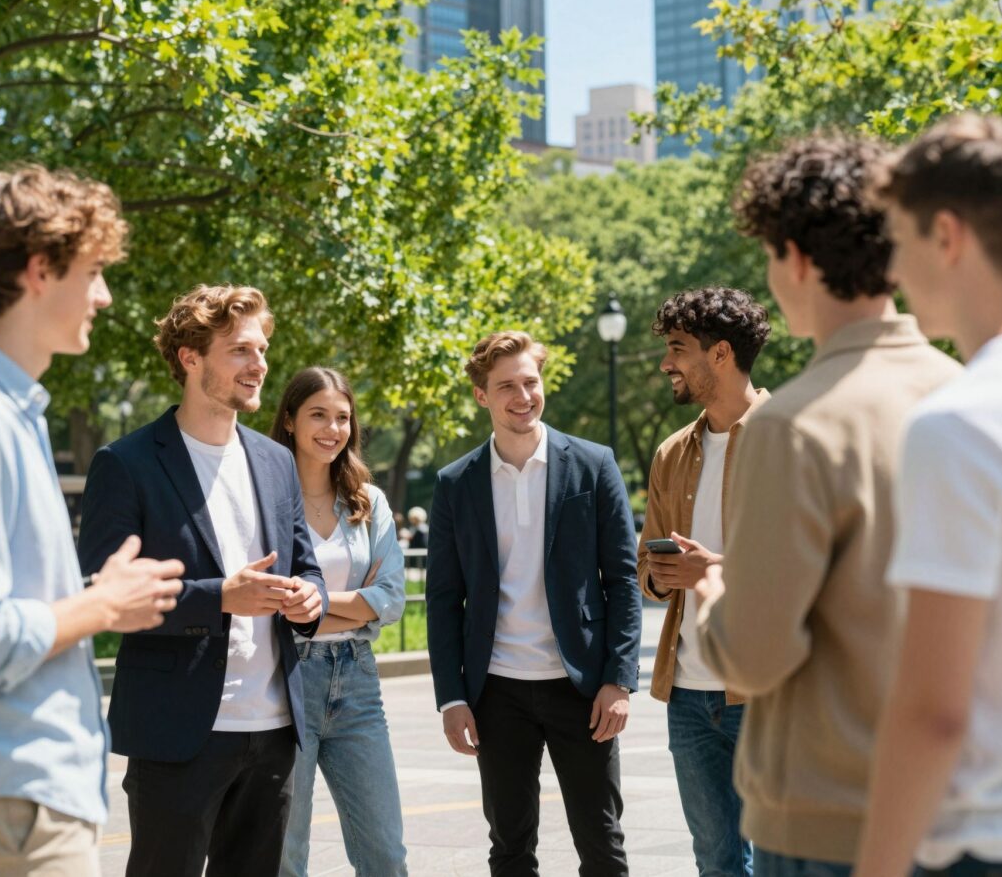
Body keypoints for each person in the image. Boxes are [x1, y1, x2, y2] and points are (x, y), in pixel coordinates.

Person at [0, 165, 185, 876]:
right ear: (40, 270)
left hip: (13, 801)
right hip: (9, 805)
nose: (105, 296)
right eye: (93, 272)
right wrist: (102, 604)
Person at [692, 135, 962, 876]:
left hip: (827, 819)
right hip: (954, 804)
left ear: (799, 259)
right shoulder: (965, 395)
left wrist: (716, 594)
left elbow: (754, 650)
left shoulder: (795, 423)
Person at [854, 115, 1002, 876]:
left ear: (947, 236)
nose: (893, 271)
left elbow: (933, 711)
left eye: (899, 241)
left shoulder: (962, 423)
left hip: (999, 846)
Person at [77, 284, 327, 877]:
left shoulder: (275, 460)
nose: (260, 363)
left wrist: (308, 597)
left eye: (262, 349)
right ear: (191, 358)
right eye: (240, 349)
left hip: (273, 731)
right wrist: (220, 598)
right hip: (177, 732)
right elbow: (102, 597)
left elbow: (303, 561)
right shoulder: (127, 464)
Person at [426, 330, 643, 877]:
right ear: (482, 396)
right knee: (510, 847)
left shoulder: (593, 465)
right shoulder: (456, 483)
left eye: (531, 381)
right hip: (496, 690)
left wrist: (618, 680)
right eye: (506, 386)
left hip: (582, 687)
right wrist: (451, 698)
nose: (523, 396)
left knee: (602, 843)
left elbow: (621, 579)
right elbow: (444, 598)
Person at [638, 286, 771, 877]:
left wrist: (711, 568)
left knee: (782, 859)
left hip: (769, 691)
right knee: (715, 861)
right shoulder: (671, 452)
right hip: (689, 693)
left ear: (720, 354)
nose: (667, 363)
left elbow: (817, 567)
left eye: (677, 348)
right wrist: (662, 577)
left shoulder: (790, 437)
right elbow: (646, 569)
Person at [269, 366, 408, 877]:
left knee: (385, 854)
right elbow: (270, 604)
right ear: (288, 420)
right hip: (286, 681)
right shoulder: (267, 501)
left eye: (343, 417)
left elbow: (392, 598)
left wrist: (311, 601)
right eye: (318, 415)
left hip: (357, 680)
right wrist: (354, 602)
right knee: (286, 853)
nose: (333, 428)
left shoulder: (367, 503)